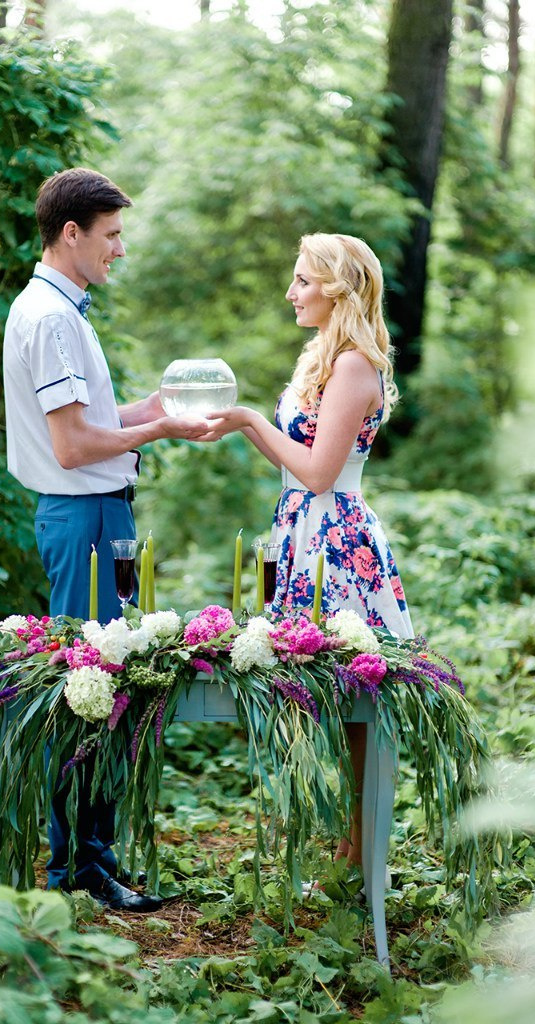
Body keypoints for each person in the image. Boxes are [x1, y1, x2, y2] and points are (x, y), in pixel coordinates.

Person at [3, 166, 208, 910]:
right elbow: (71, 448)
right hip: (82, 515)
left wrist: (148, 408)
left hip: (100, 515)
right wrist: (162, 430)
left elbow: (89, 423)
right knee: (92, 688)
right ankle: (78, 868)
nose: (119, 249)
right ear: (72, 233)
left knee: (109, 680)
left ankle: (93, 858)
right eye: (111, 235)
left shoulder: (61, 309)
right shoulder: (50, 318)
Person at [203, 232, 413, 868]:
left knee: (356, 697)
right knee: (322, 693)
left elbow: (320, 473)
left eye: (303, 280)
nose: (291, 292)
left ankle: (363, 853)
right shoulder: (322, 355)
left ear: (338, 288)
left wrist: (248, 420)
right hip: (297, 531)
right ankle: (345, 844)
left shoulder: (353, 365)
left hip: (336, 542)